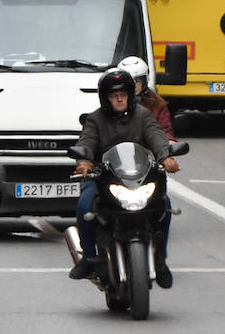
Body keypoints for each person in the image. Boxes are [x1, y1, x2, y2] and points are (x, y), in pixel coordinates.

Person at [69, 68, 179, 287]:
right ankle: (89, 258)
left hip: (139, 178)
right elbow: (86, 142)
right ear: (105, 97)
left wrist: (166, 155)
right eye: (113, 94)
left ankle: (160, 259)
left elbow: (157, 136)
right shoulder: (95, 119)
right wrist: (84, 162)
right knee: (84, 205)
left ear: (130, 95)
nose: (119, 98)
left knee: (164, 205)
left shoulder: (143, 115)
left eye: (123, 93)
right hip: (104, 178)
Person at [118, 55, 174, 140]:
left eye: (137, 81)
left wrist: (169, 142)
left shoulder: (157, 104)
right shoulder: (112, 104)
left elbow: (165, 130)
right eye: (128, 81)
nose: (133, 85)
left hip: (148, 150)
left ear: (144, 81)